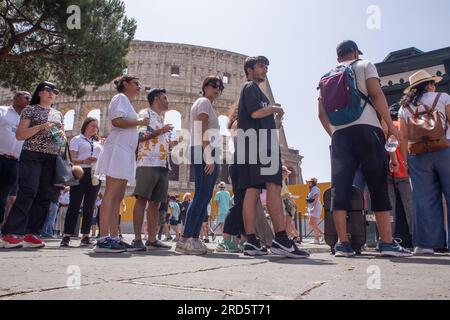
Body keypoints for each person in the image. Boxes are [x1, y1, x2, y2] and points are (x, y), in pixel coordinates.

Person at [318, 40, 411, 257]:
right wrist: (389, 125)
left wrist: (335, 134)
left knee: (340, 189)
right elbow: (377, 94)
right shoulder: (365, 65)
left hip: (340, 135)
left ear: (338, 57)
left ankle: (343, 244)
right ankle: (387, 242)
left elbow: (321, 114)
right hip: (368, 130)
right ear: (354, 53)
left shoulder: (325, 76)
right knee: (377, 184)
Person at [237, 56, 309, 258]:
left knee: (252, 191)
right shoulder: (250, 87)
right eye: (261, 66)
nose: (265, 70)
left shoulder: (253, 90)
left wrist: (275, 117)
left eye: (266, 67)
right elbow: (255, 113)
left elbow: (261, 118)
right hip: (260, 144)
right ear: (249, 69)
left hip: (250, 143)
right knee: (274, 187)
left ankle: (251, 242)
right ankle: (281, 239)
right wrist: (275, 108)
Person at [2, 82, 65, 249]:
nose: (52, 93)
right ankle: (11, 233)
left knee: (45, 195)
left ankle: (32, 233)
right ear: (40, 93)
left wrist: (61, 137)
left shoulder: (58, 114)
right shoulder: (30, 110)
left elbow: (61, 140)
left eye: (55, 91)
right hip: (32, 154)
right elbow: (20, 134)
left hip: (51, 156)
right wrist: (40, 127)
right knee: (28, 190)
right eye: (48, 90)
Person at [94, 75, 149, 253]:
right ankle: (102, 239)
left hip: (125, 151)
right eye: (136, 83)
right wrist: (140, 122)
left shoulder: (127, 102)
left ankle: (113, 236)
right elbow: (117, 121)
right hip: (118, 149)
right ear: (125, 84)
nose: (139, 87)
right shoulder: (120, 98)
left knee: (118, 197)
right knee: (110, 194)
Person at [398, 70, 450, 255]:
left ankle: (425, 245)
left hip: (418, 154)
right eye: (433, 84)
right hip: (444, 150)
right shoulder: (442, 97)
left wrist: (405, 160)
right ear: (429, 84)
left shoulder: (404, 107)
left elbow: (403, 136)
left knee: (423, 200)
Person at [176, 76, 223, 255]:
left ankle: (193, 238)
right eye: (213, 85)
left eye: (220, 86)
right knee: (201, 194)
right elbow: (202, 127)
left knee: (204, 195)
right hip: (204, 150)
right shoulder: (203, 102)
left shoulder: (205, 103)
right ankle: (186, 238)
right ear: (204, 87)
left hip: (204, 150)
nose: (217, 89)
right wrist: (208, 154)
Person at [131, 88, 174, 251]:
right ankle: (136, 239)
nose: (167, 101)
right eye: (165, 97)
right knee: (141, 199)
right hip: (148, 162)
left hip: (163, 164)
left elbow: (158, 138)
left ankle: (152, 238)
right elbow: (140, 136)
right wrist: (161, 131)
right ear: (156, 99)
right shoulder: (145, 114)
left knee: (156, 203)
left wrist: (171, 144)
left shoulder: (161, 118)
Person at [60, 117, 103, 247]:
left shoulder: (98, 143)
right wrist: (85, 161)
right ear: (85, 126)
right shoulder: (77, 140)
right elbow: (71, 158)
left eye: (96, 126)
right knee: (74, 204)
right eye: (92, 126)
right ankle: (67, 235)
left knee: (90, 206)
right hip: (80, 172)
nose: (94, 128)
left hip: (95, 175)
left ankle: (85, 235)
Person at [0, 91, 31, 235]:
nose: (29, 100)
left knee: (4, 197)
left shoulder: (28, 121)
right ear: (16, 98)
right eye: (26, 97)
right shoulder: (3, 111)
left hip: (14, 162)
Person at [306, 177, 324, 244]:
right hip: (313, 207)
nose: (308, 183)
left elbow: (316, 198)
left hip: (315, 207)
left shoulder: (315, 188)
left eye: (309, 182)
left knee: (313, 222)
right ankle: (322, 234)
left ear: (313, 182)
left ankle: (316, 239)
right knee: (311, 222)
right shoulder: (312, 189)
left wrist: (314, 207)